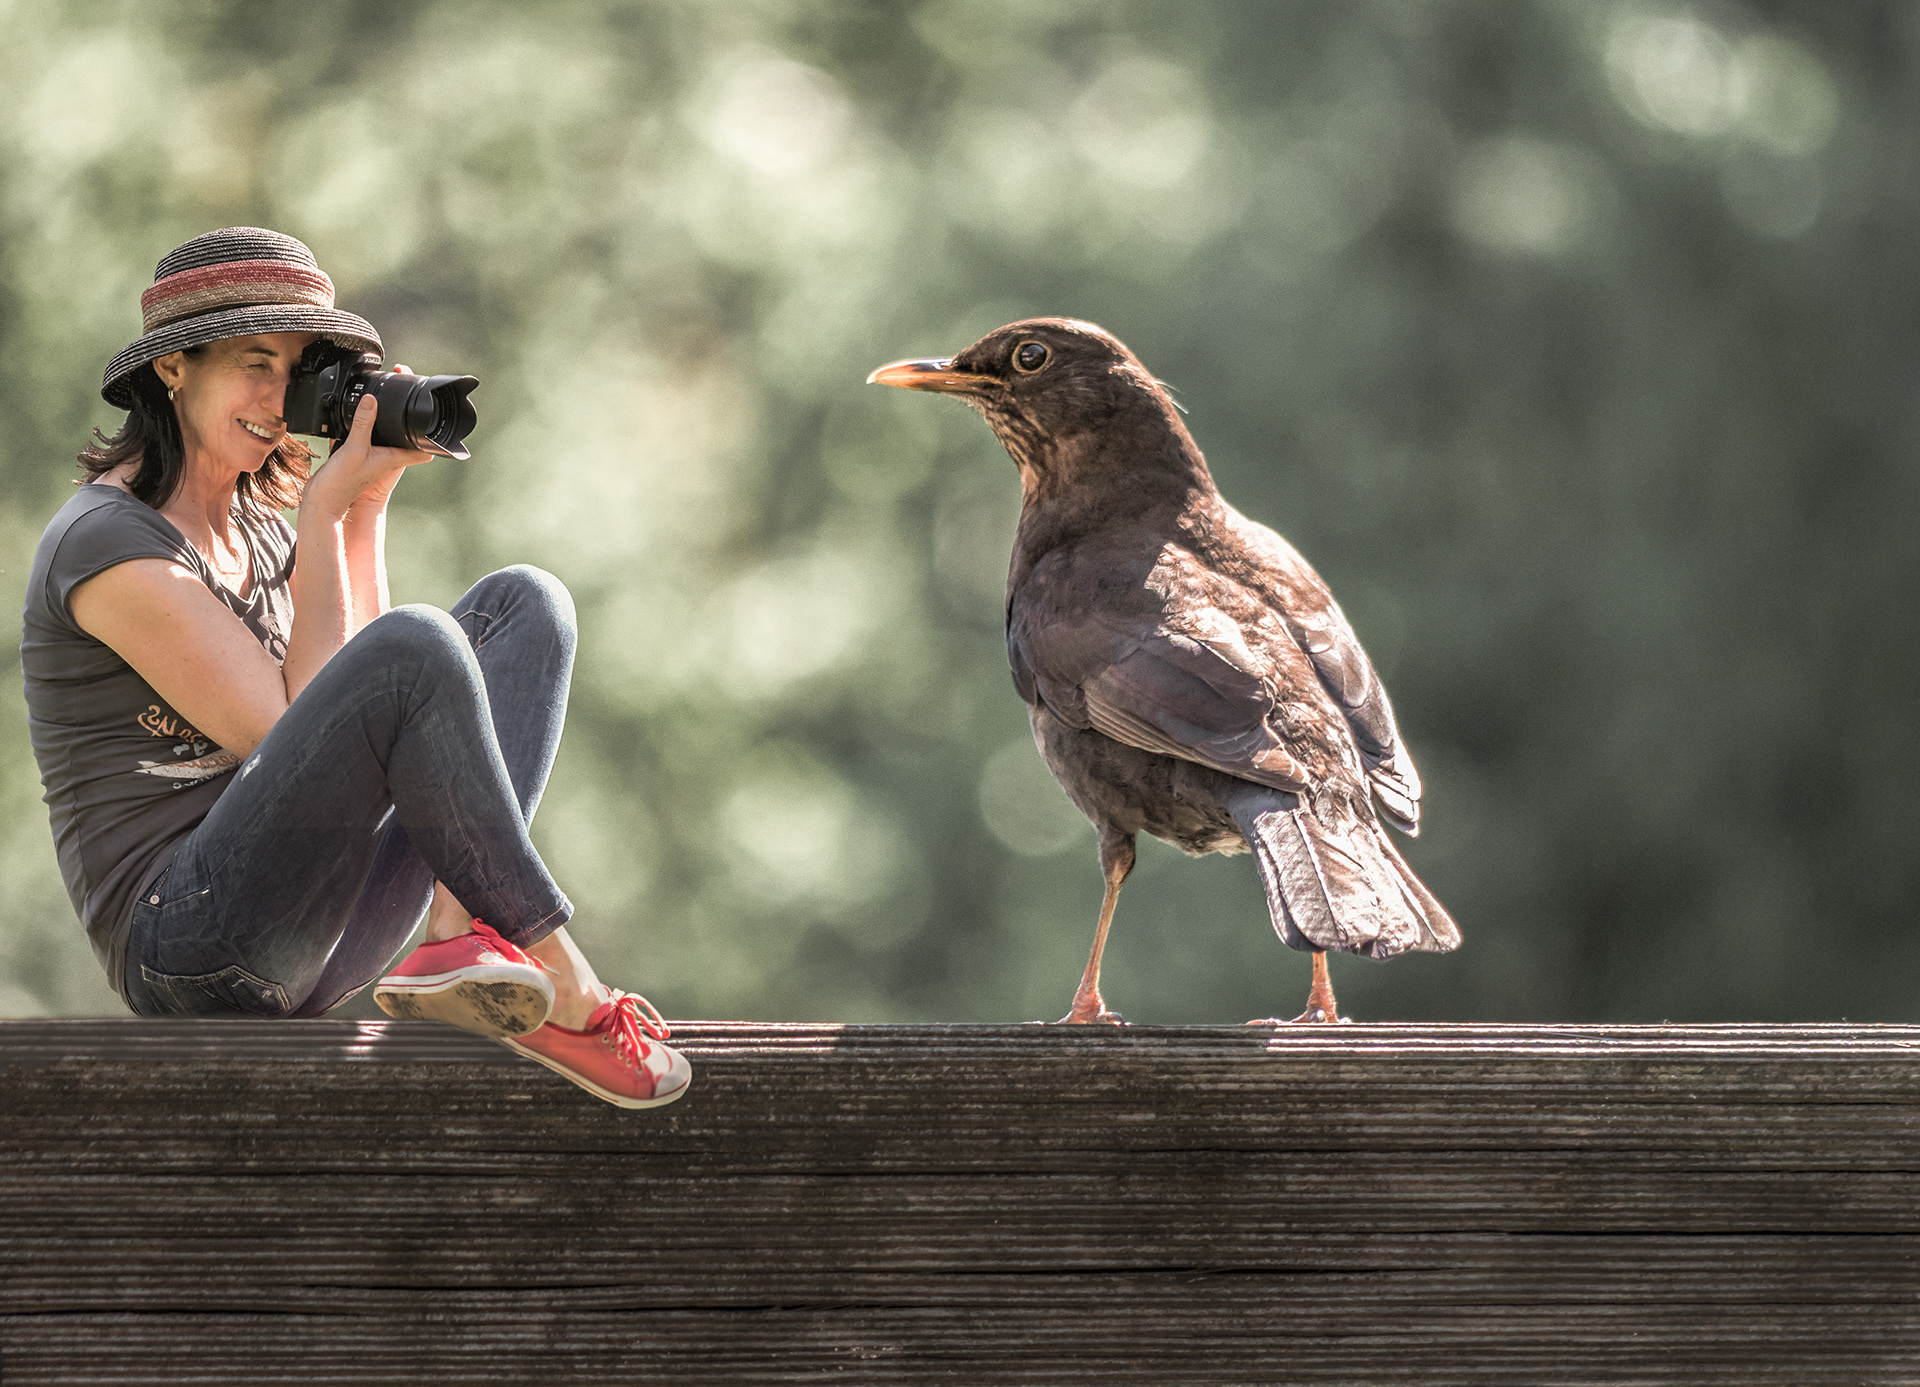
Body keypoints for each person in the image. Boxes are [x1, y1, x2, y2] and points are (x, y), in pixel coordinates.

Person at [19, 226, 689, 1110]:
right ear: (173, 368)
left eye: (295, 371)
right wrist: (326, 511)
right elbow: (285, 727)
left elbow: (367, 705)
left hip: (319, 927)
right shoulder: (107, 543)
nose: (275, 396)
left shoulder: (257, 521)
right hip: (188, 942)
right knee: (418, 645)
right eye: (255, 362)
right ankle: (562, 975)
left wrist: (362, 502)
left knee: (528, 605)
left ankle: (462, 932)